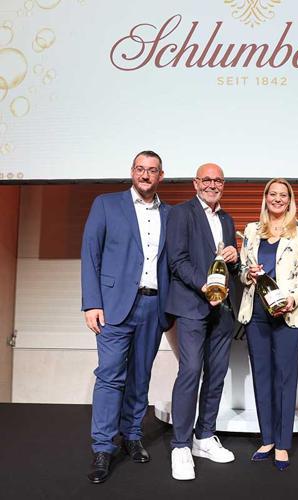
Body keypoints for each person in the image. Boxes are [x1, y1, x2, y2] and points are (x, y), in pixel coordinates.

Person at [81, 150, 171, 483]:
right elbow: (90, 253)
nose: (145, 175)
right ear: (132, 171)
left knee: (140, 375)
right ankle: (103, 447)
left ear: (161, 175)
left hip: (153, 305)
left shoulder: (170, 213)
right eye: (140, 169)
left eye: (152, 170)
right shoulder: (106, 204)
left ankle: (132, 434)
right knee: (110, 375)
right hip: (114, 305)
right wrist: (92, 303)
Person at [166, 163, 239, 481]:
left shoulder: (227, 219)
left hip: (222, 310)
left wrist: (234, 257)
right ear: (196, 183)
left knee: (217, 373)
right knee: (191, 371)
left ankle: (204, 436)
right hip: (191, 306)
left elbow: (228, 265)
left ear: (223, 185)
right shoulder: (181, 213)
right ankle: (180, 445)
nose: (212, 184)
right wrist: (205, 286)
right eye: (206, 179)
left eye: (218, 180)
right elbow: (177, 260)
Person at [238, 178, 298, 470]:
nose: (278, 199)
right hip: (256, 312)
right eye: (273, 194)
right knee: (262, 375)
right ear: (266, 197)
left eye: (284, 195)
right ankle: (267, 439)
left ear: (290, 199)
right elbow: (241, 271)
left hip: (288, 312)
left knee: (285, 377)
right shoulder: (251, 230)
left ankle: (282, 443)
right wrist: (249, 273)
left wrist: (293, 299)